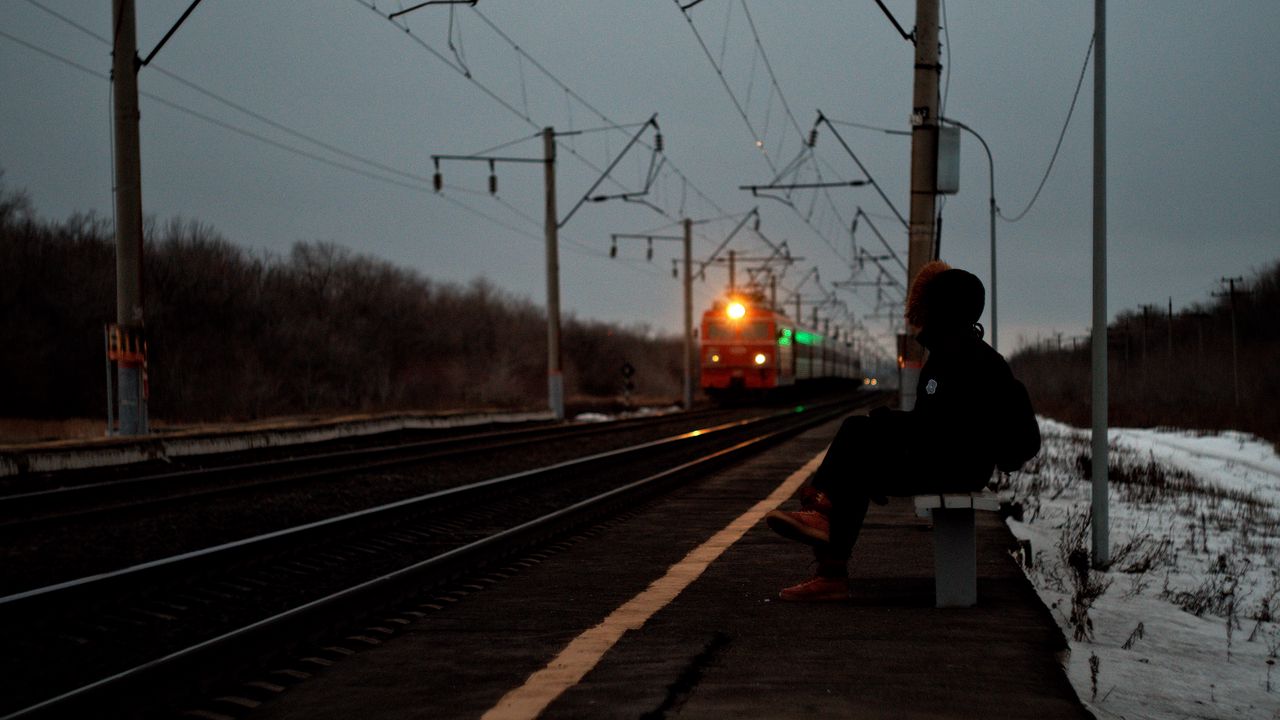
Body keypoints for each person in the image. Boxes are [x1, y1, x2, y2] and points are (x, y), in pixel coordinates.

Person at [765, 260, 1040, 601]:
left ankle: (827, 545)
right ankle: (824, 532)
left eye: (929, 305)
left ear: (941, 308)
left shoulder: (961, 358)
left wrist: (886, 421)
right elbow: (939, 425)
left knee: (857, 439)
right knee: (858, 447)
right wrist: (891, 424)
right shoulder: (958, 351)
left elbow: (940, 428)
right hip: (952, 461)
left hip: (956, 468)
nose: (921, 313)